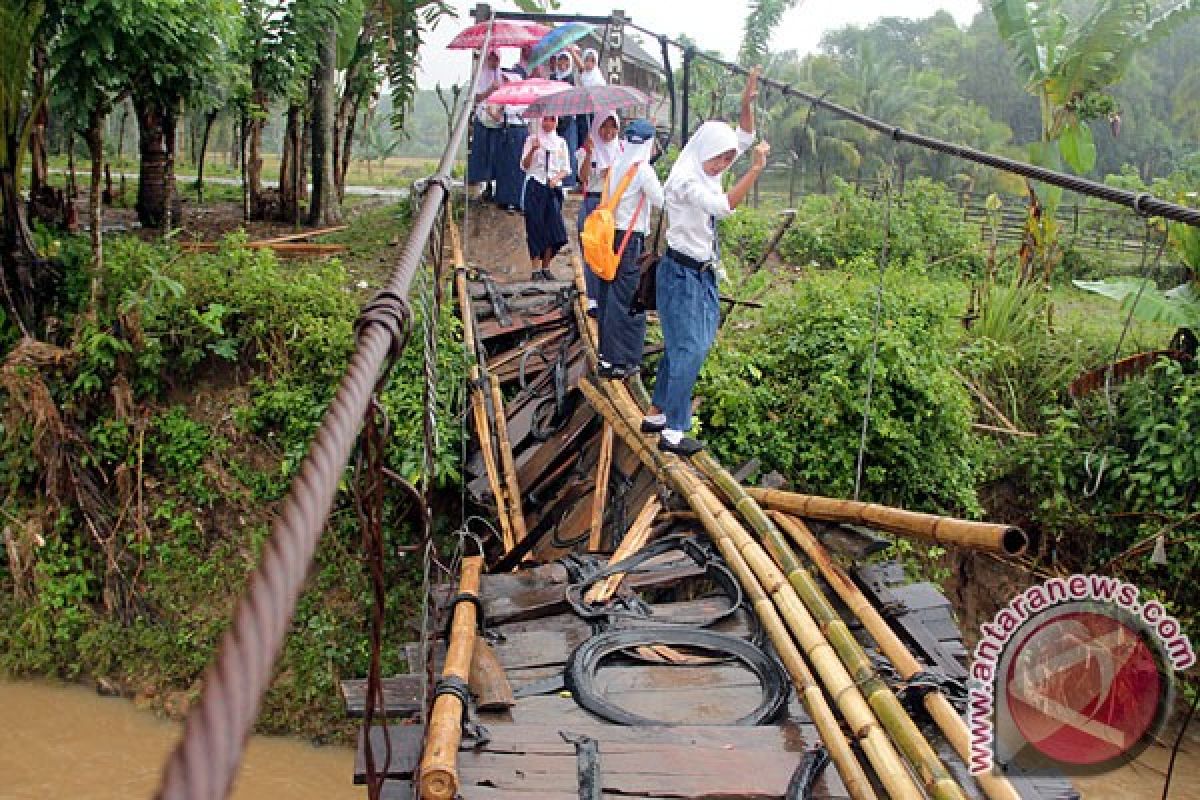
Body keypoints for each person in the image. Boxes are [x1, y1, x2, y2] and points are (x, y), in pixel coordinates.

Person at [642, 67, 770, 456]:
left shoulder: (707, 165)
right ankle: (673, 433)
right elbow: (723, 206)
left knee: (688, 345)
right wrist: (755, 171)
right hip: (679, 273)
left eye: (727, 160)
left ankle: (656, 411)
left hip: (702, 273)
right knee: (690, 350)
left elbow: (744, 137)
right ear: (704, 153)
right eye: (719, 159)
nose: (722, 165)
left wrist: (747, 99)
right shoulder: (685, 180)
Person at [594, 119, 663, 380]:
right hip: (629, 240)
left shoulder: (618, 164)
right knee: (630, 299)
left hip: (610, 235)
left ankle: (606, 356)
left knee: (609, 295)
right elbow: (662, 200)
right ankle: (622, 361)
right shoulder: (643, 170)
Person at [576, 111, 621, 316]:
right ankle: (593, 297)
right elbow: (582, 178)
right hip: (593, 201)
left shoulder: (622, 150)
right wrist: (590, 155)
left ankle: (608, 294)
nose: (608, 132)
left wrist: (612, 173)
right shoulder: (587, 149)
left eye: (613, 127)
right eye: (604, 126)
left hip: (612, 205)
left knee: (609, 249)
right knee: (591, 250)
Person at [520, 115, 571, 279]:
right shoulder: (532, 139)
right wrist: (534, 150)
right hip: (535, 185)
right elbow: (524, 166)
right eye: (545, 120)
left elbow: (566, 168)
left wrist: (556, 179)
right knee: (535, 227)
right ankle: (535, 268)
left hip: (553, 188)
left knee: (553, 229)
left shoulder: (561, 143)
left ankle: (546, 266)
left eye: (552, 120)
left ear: (556, 122)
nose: (548, 123)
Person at [467, 48, 506, 199]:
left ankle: (493, 186)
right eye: (491, 59)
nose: (494, 62)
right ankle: (483, 185)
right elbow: (477, 97)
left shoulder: (502, 76)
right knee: (482, 153)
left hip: (496, 120)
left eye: (496, 59)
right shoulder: (479, 76)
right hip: (483, 118)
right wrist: (491, 89)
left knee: (495, 154)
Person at [550, 51, 580, 188]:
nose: (563, 64)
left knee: (568, 148)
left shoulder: (572, 79)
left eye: (565, 61)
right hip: (553, 117)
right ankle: (554, 176)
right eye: (560, 61)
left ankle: (568, 181)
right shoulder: (552, 77)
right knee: (555, 148)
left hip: (569, 117)